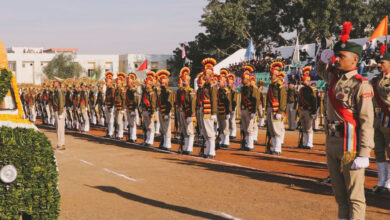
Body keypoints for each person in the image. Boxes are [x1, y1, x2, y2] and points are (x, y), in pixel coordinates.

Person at [317, 22, 374, 220]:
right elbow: (321, 69)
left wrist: (365, 153)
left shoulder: (361, 84)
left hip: (351, 145)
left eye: (342, 56)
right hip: (332, 142)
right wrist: (322, 57)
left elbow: (367, 121)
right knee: (340, 196)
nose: (337, 59)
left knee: (355, 197)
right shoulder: (333, 77)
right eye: (336, 55)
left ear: (355, 59)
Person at [371, 52, 390, 194]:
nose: (379, 65)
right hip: (376, 119)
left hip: (388, 118)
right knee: (378, 150)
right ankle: (381, 180)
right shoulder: (375, 80)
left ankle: (389, 181)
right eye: (379, 62)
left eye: (382, 62)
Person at [266, 61, 287, 155]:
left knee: (277, 129)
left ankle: (278, 148)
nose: (271, 76)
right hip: (270, 109)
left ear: (276, 75)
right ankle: (274, 147)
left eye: (272, 75)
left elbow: (283, 99)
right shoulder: (271, 85)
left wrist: (280, 111)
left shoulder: (280, 85)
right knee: (271, 129)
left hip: (276, 110)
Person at [200, 58, 218, 158]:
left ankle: (212, 152)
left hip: (209, 111)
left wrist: (214, 113)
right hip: (204, 110)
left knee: (210, 131)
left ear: (211, 74)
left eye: (206, 74)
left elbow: (214, 99)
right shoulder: (205, 85)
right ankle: (207, 151)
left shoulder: (212, 85)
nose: (204, 75)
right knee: (205, 131)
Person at [178, 68, 196, 154]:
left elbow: (192, 104)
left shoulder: (190, 91)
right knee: (184, 130)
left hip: (188, 112)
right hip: (182, 112)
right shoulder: (182, 91)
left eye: (184, 80)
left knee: (190, 130)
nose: (183, 82)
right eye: (182, 80)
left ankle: (189, 147)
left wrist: (191, 115)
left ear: (188, 82)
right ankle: (185, 147)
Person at [240, 65, 259, 151]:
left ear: (247, 80)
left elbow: (255, 100)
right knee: (244, 128)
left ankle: (250, 145)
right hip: (243, 109)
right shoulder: (243, 88)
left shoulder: (252, 88)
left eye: (243, 79)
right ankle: (247, 143)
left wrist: (254, 111)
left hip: (249, 110)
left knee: (249, 128)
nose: (242, 80)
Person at [298, 66, 317, 149]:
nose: (303, 81)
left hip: (308, 110)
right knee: (304, 127)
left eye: (304, 80)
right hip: (302, 110)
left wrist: (313, 112)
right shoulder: (301, 89)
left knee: (309, 128)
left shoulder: (311, 89)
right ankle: (305, 143)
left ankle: (309, 143)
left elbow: (314, 101)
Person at [156, 70, 174, 150]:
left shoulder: (168, 92)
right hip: (161, 111)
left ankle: (167, 144)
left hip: (166, 112)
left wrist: (167, 113)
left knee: (166, 128)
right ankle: (164, 143)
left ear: (166, 83)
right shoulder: (161, 92)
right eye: (161, 83)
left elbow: (169, 104)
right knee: (163, 128)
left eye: (163, 83)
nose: (161, 84)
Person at [140, 75, 157, 146]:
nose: (146, 85)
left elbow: (153, 102)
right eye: (146, 83)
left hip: (150, 111)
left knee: (151, 126)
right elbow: (141, 101)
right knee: (146, 126)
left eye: (147, 84)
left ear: (150, 85)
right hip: (144, 111)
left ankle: (150, 141)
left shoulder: (152, 92)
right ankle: (147, 140)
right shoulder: (144, 92)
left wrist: (153, 112)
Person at [216, 72, 231, 148]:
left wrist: (228, 112)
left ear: (223, 82)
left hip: (224, 110)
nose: (218, 82)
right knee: (221, 126)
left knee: (225, 125)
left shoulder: (226, 90)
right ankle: (222, 140)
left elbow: (228, 102)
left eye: (219, 81)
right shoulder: (218, 90)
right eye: (218, 81)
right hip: (219, 109)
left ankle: (226, 141)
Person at [125, 73, 139, 143]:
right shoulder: (128, 89)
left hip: (132, 108)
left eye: (129, 82)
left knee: (133, 123)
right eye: (127, 82)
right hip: (128, 108)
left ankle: (133, 137)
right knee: (130, 123)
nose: (127, 83)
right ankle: (131, 136)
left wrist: (133, 109)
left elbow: (135, 101)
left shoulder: (134, 90)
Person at [53, 77, 66, 150]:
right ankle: (61, 144)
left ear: (58, 83)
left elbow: (61, 102)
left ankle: (60, 144)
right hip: (57, 110)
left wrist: (60, 113)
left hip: (59, 111)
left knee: (60, 129)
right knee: (59, 128)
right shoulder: (56, 91)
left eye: (54, 82)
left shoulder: (59, 91)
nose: (53, 83)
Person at [114, 72, 126, 140]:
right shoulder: (117, 89)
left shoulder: (122, 90)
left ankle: (121, 134)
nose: (117, 84)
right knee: (117, 121)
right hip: (116, 106)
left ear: (121, 83)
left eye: (118, 83)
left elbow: (123, 99)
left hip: (120, 107)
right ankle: (118, 134)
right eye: (117, 83)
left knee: (119, 121)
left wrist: (123, 108)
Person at [105, 72, 115, 138]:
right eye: (106, 82)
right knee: (108, 120)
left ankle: (111, 133)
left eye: (108, 82)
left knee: (111, 120)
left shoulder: (112, 89)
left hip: (111, 106)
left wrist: (112, 106)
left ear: (111, 82)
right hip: (107, 105)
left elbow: (113, 98)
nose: (106, 83)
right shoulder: (107, 89)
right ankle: (109, 132)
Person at [227, 73, 238, 140]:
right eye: (228, 83)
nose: (229, 84)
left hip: (232, 107)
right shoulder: (227, 90)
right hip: (228, 107)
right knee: (228, 120)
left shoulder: (234, 90)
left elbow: (234, 100)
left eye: (230, 83)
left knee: (232, 120)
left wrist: (233, 108)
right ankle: (230, 132)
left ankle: (233, 132)